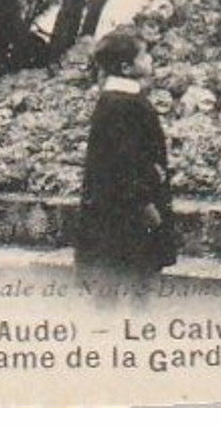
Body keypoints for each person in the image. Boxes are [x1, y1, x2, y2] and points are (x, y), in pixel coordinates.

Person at [74, 30, 177, 291]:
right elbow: (123, 162)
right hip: (130, 212)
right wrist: (144, 203)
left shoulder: (120, 101)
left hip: (124, 209)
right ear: (126, 67)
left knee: (123, 281)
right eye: (144, 55)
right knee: (131, 282)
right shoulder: (122, 105)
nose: (151, 59)